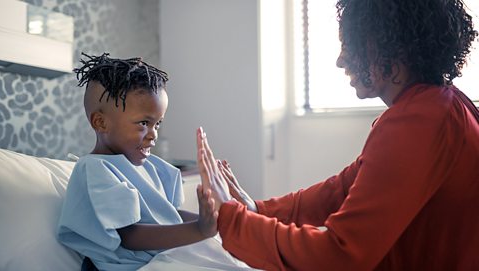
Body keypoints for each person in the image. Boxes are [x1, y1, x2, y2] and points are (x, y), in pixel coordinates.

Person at [195, 0, 479, 270]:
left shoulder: (418, 121)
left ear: (391, 47)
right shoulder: (446, 104)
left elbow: (339, 257)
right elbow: (343, 189)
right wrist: (255, 208)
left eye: (351, 45)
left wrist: (232, 218)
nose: (340, 60)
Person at [57, 53, 257, 271]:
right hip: (136, 265)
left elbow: (170, 215)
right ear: (101, 122)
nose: (154, 135)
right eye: (144, 123)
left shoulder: (153, 167)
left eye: (157, 124)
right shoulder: (96, 168)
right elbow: (130, 235)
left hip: (168, 256)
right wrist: (199, 229)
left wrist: (218, 218)